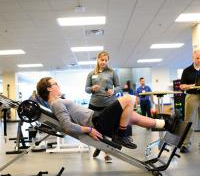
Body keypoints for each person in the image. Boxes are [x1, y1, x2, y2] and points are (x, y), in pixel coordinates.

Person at [36, 77, 178, 153]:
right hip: (95, 122)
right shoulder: (56, 103)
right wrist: (90, 130)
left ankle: (165, 124)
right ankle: (120, 135)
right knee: (130, 98)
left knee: (133, 117)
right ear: (49, 88)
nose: (58, 84)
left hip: (96, 118)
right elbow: (67, 126)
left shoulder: (57, 102)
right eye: (55, 83)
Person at [85, 51, 122, 163]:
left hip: (108, 104)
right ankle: (98, 147)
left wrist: (113, 90)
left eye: (106, 60)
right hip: (94, 104)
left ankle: (106, 153)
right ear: (97, 59)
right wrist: (92, 89)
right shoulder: (91, 73)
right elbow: (86, 89)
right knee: (96, 128)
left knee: (106, 128)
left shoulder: (112, 72)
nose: (104, 62)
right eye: (102, 60)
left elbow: (119, 87)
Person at [179, 50, 200, 153]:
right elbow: (182, 86)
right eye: (197, 58)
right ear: (193, 58)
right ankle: (186, 144)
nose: (199, 60)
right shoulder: (187, 70)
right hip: (192, 96)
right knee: (189, 121)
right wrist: (192, 85)